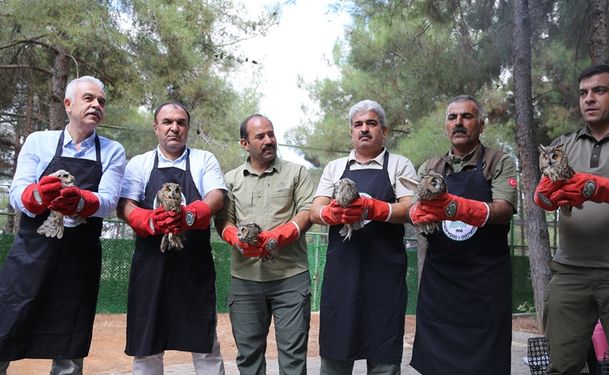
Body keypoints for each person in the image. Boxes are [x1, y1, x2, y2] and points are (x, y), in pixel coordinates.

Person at [0, 76, 126, 374]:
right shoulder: (38, 141)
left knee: (69, 347)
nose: (96, 105)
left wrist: (80, 201)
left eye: (101, 101)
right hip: (31, 257)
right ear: (68, 104)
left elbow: (108, 201)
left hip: (78, 262)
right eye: (89, 98)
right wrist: (37, 196)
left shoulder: (112, 151)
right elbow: (17, 193)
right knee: (4, 330)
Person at [534, 64, 609, 375]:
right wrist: (544, 196)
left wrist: (598, 187)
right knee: (560, 365)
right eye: (583, 93)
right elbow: (545, 193)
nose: (588, 99)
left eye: (599, 91)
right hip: (569, 270)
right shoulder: (563, 144)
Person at [408, 95, 517, 374]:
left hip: (485, 282)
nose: (458, 123)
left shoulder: (498, 161)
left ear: (481, 125)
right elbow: (414, 208)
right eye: (452, 118)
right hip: (441, 282)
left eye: (466, 117)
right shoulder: (430, 167)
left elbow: (503, 209)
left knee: (486, 363)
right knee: (437, 363)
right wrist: (414, 213)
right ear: (446, 126)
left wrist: (456, 207)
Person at [117, 102, 226, 374]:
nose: (174, 127)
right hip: (150, 268)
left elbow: (216, 197)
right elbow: (125, 205)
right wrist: (147, 220)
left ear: (187, 128)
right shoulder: (139, 163)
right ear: (156, 127)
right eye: (167, 122)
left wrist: (189, 215)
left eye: (180, 122)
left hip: (194, 268)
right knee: (147, 347)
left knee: (206, 345)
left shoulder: (204, 160)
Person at [309, 99, 417, 374]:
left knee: (384, 352)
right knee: (335, 349)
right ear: (351, 131)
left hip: (384, 275)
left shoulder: (399, 165)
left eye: (371, 123)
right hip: (342, 274)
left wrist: (373, 207)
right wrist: (331, 214)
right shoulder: (335, 167)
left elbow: (411, 209)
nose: (364, 129)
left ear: (384, 130)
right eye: (358, 124)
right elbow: (315, 210)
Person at [214, 114, 314, 375]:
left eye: (271, 134)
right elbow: (224, 220)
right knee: (248, 356)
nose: (269, 140)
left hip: (291, 278)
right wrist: (235, 237)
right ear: (244, 143)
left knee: (293, 358)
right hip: (245, 279)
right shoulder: (231, 179)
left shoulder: (297, 172)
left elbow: (306, 211)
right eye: (260, 136)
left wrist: (280, 235)